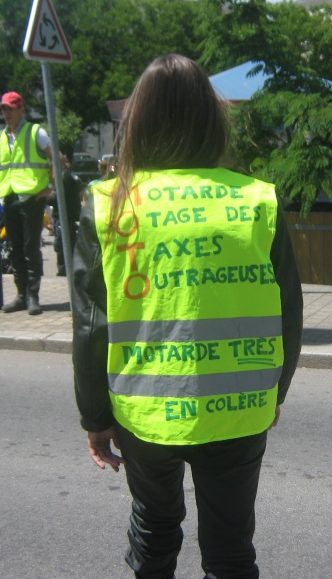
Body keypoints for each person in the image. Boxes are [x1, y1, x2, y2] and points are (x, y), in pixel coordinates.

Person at [71, 54, 304, 579]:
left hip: (144, 411)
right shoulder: (255, 200)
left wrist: (94, 418)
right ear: (211, 118)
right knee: (230, 548)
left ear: (138, 123)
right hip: (241, 407)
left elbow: (91, 326)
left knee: (154, 530)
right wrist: (275, 393)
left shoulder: (111, 203)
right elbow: (289, 312)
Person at [0, 91, 54, 315]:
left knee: (31, 248)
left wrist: (51, 188)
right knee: (14, 248)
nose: (6, 113)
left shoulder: (35, 131)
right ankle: (20, 295)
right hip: (9, 197)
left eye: (10, 108)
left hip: (31, 198)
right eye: (3, 109)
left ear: (21, 110)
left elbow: (55, 156)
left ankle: (33, 295)